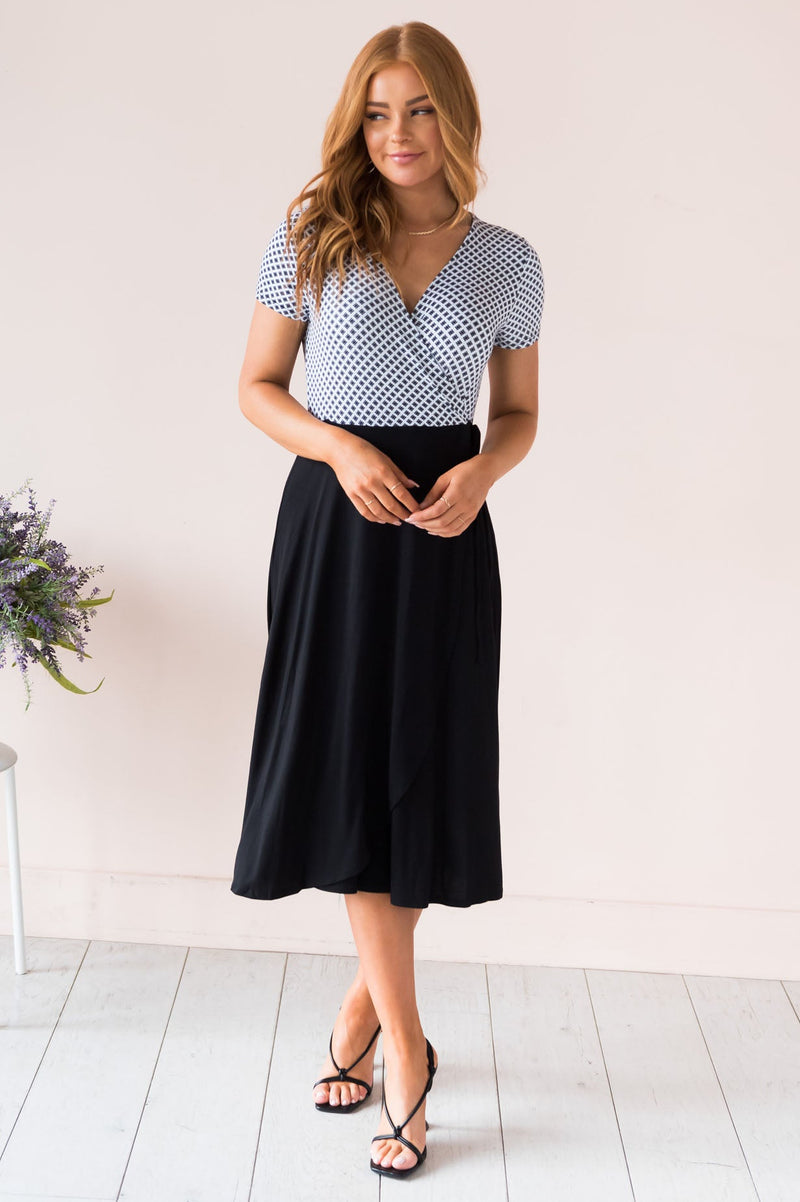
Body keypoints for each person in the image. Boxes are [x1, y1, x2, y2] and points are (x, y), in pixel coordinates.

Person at [230, 20, 544, 1180]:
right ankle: (406, 1051)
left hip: (444, 537)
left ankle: (362, 1009)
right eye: (375, 112)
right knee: (353, 769)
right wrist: (337, 445)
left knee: (417, 771)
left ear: (452, 117)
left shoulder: (506, 259)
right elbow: (257, 386)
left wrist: (484, 469)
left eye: (416, 110)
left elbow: (517, 411)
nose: (396, 134)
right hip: (336, 531)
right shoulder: (310, 232)